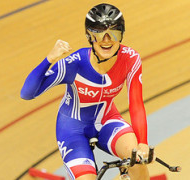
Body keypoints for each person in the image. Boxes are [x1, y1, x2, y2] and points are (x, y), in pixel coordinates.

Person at [21, 3, 152, 180]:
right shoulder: (74, 63)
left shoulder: (130, 58)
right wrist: (49, 59)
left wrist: (143, 142)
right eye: (99, 33)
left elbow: (136, 104)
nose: (107, 40)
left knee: (137, 160)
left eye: (114, 32)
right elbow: (27, 93)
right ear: (89, 36)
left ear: (122, 34)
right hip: (72, 129)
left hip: (107, 120)